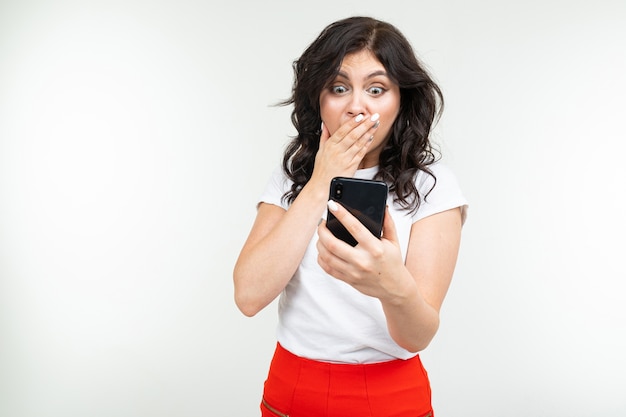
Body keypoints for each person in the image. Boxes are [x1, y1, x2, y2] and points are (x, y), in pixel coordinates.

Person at [233, 16, 468, 417]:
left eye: (376, 89)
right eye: (339, 88)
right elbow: (249, 296)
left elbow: (418, 335)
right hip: (291, 392)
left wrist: (392, 284)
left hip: (392, 396)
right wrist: (322, 178)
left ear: (401, 101)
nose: (357, 106)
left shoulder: (434, 186)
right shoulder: (292, 179)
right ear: (318, 100)